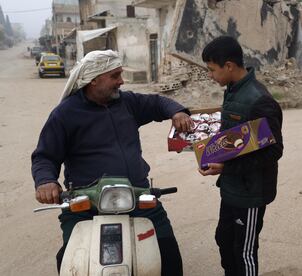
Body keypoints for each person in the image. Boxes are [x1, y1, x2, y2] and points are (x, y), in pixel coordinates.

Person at [31, 50, 192, 275]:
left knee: (168, 254)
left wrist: (177, 112)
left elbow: (157, 102)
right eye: (115, 76)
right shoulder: (64, 114)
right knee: (71, 259)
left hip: (137, 195)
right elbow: (44, 156)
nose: (121, 81)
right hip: (86, 202)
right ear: (94, 79)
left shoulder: (127, 102)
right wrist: (46, 181)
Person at [198, 36, 284, 276]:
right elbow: (237, 139)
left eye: (212, 70)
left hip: (250, 192)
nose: (210, 75)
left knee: (243, 252)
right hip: (231, 188)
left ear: (229, 66)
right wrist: (208, 150)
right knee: (224, 240)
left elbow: (273, 151)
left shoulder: (259, 100)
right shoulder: (233, 91)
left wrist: (226, 168)